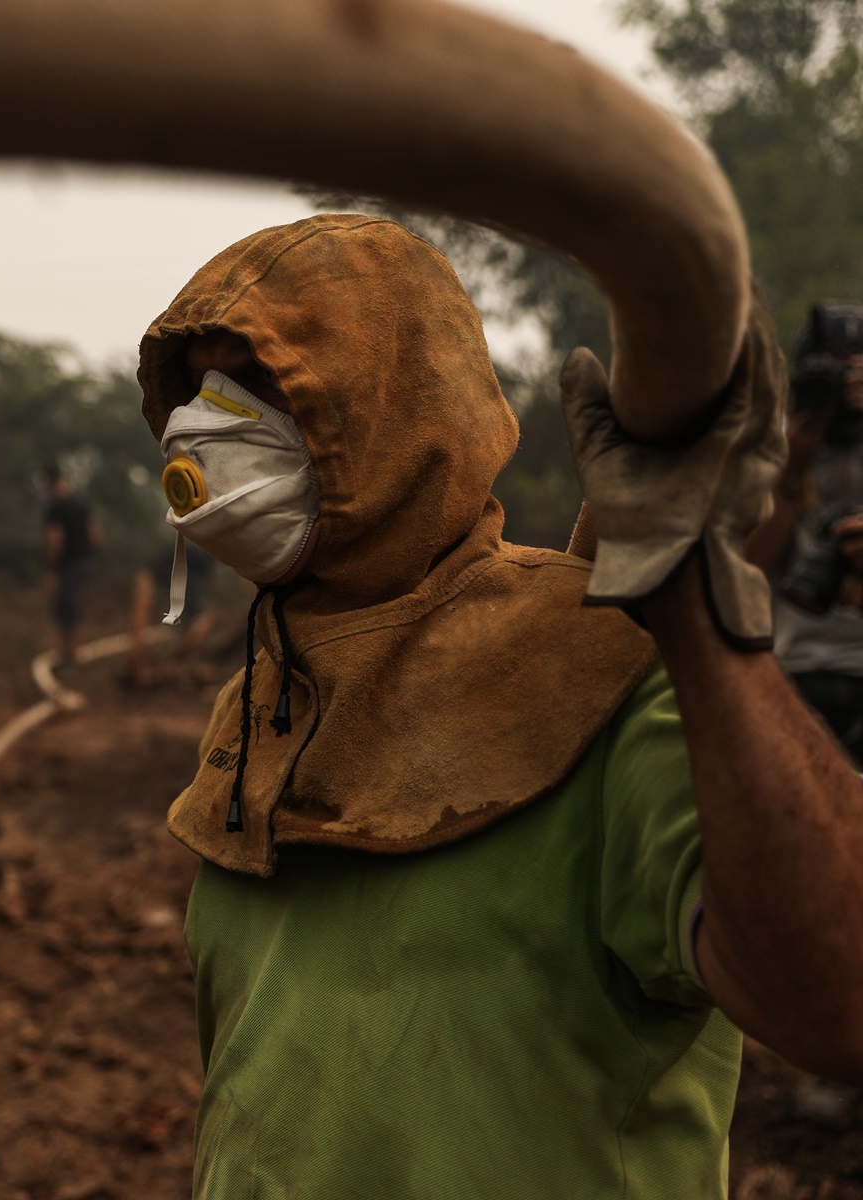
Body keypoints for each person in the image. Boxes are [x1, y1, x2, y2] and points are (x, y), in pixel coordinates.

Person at [142, 215, 863, 1198]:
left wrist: (693, 614)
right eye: (202, 391)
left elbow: (842, 1002)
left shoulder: (607, 677)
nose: (210, 429)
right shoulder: (257, 711)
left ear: (399, 409)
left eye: (263, 384)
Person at [746, 305, 863, 759]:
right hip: (794, 670)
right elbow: (746, 570)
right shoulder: (768, 448)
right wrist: (791, 471)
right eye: (829, 377)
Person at [42, 460, 100, 663]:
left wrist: (51, 569)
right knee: (72, 602)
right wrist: (93, 556)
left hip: (69, 564)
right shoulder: (80, 504)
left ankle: (72, 652)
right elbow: (95, 533)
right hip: (85, 561)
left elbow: (55, 540)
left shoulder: (55, 508)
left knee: (67, 605)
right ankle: (69, 652)